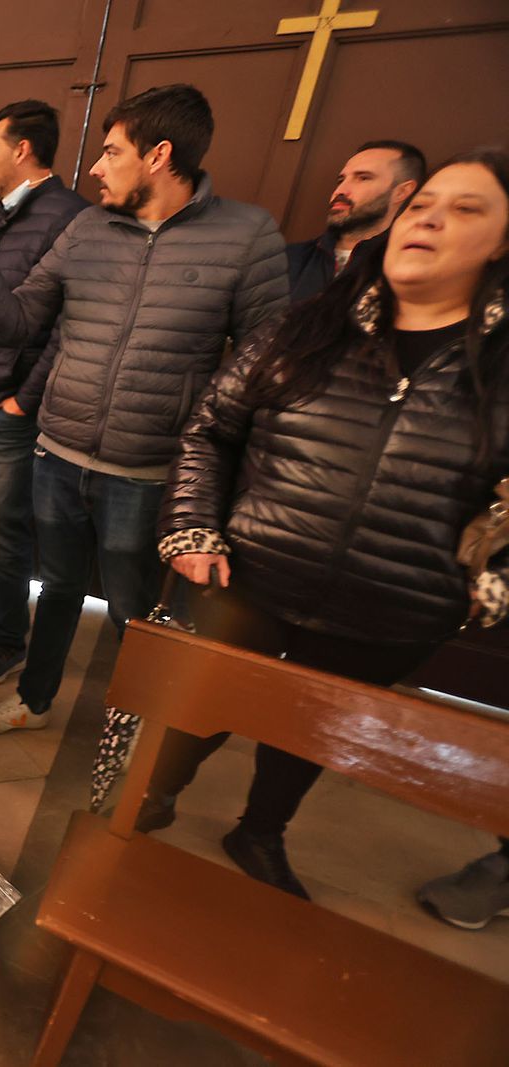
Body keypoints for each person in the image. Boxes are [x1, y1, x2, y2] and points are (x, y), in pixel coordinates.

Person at [151, 149, 509, 900]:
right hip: (247, 577)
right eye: (422, 205)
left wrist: (491, 579)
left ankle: (260, 829)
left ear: (503, 244)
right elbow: (209, 431)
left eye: (467, 208)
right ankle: (152, 796)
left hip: (389, 610)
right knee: (199, 709)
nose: (432, 218)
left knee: (310, 729)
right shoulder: (308, 328)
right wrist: (193, 529)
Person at [0, 84, 289, 734]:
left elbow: (262, 368)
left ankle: (136, 726)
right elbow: (17, 321)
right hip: (59, 452)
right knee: (58, 590)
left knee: (135, 607)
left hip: (146, 468)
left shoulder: (245, 236)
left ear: (159, 154)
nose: (96, 168)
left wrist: (220, 480)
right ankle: (34, 701)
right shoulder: (88, 228)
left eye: (111, 151)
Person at [0, 99, 90, 686]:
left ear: (21, 149)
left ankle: (5, 639)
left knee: (6, 528)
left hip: (11, 402)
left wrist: (23, 400)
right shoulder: (0, 212)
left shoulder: (67, 217)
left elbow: (65, 324)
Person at [286, 140, 426, 302]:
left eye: (363, 178)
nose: (340, 191)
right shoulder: (287, 259)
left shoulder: (408, 270)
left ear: (401, 192)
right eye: (341, 180)